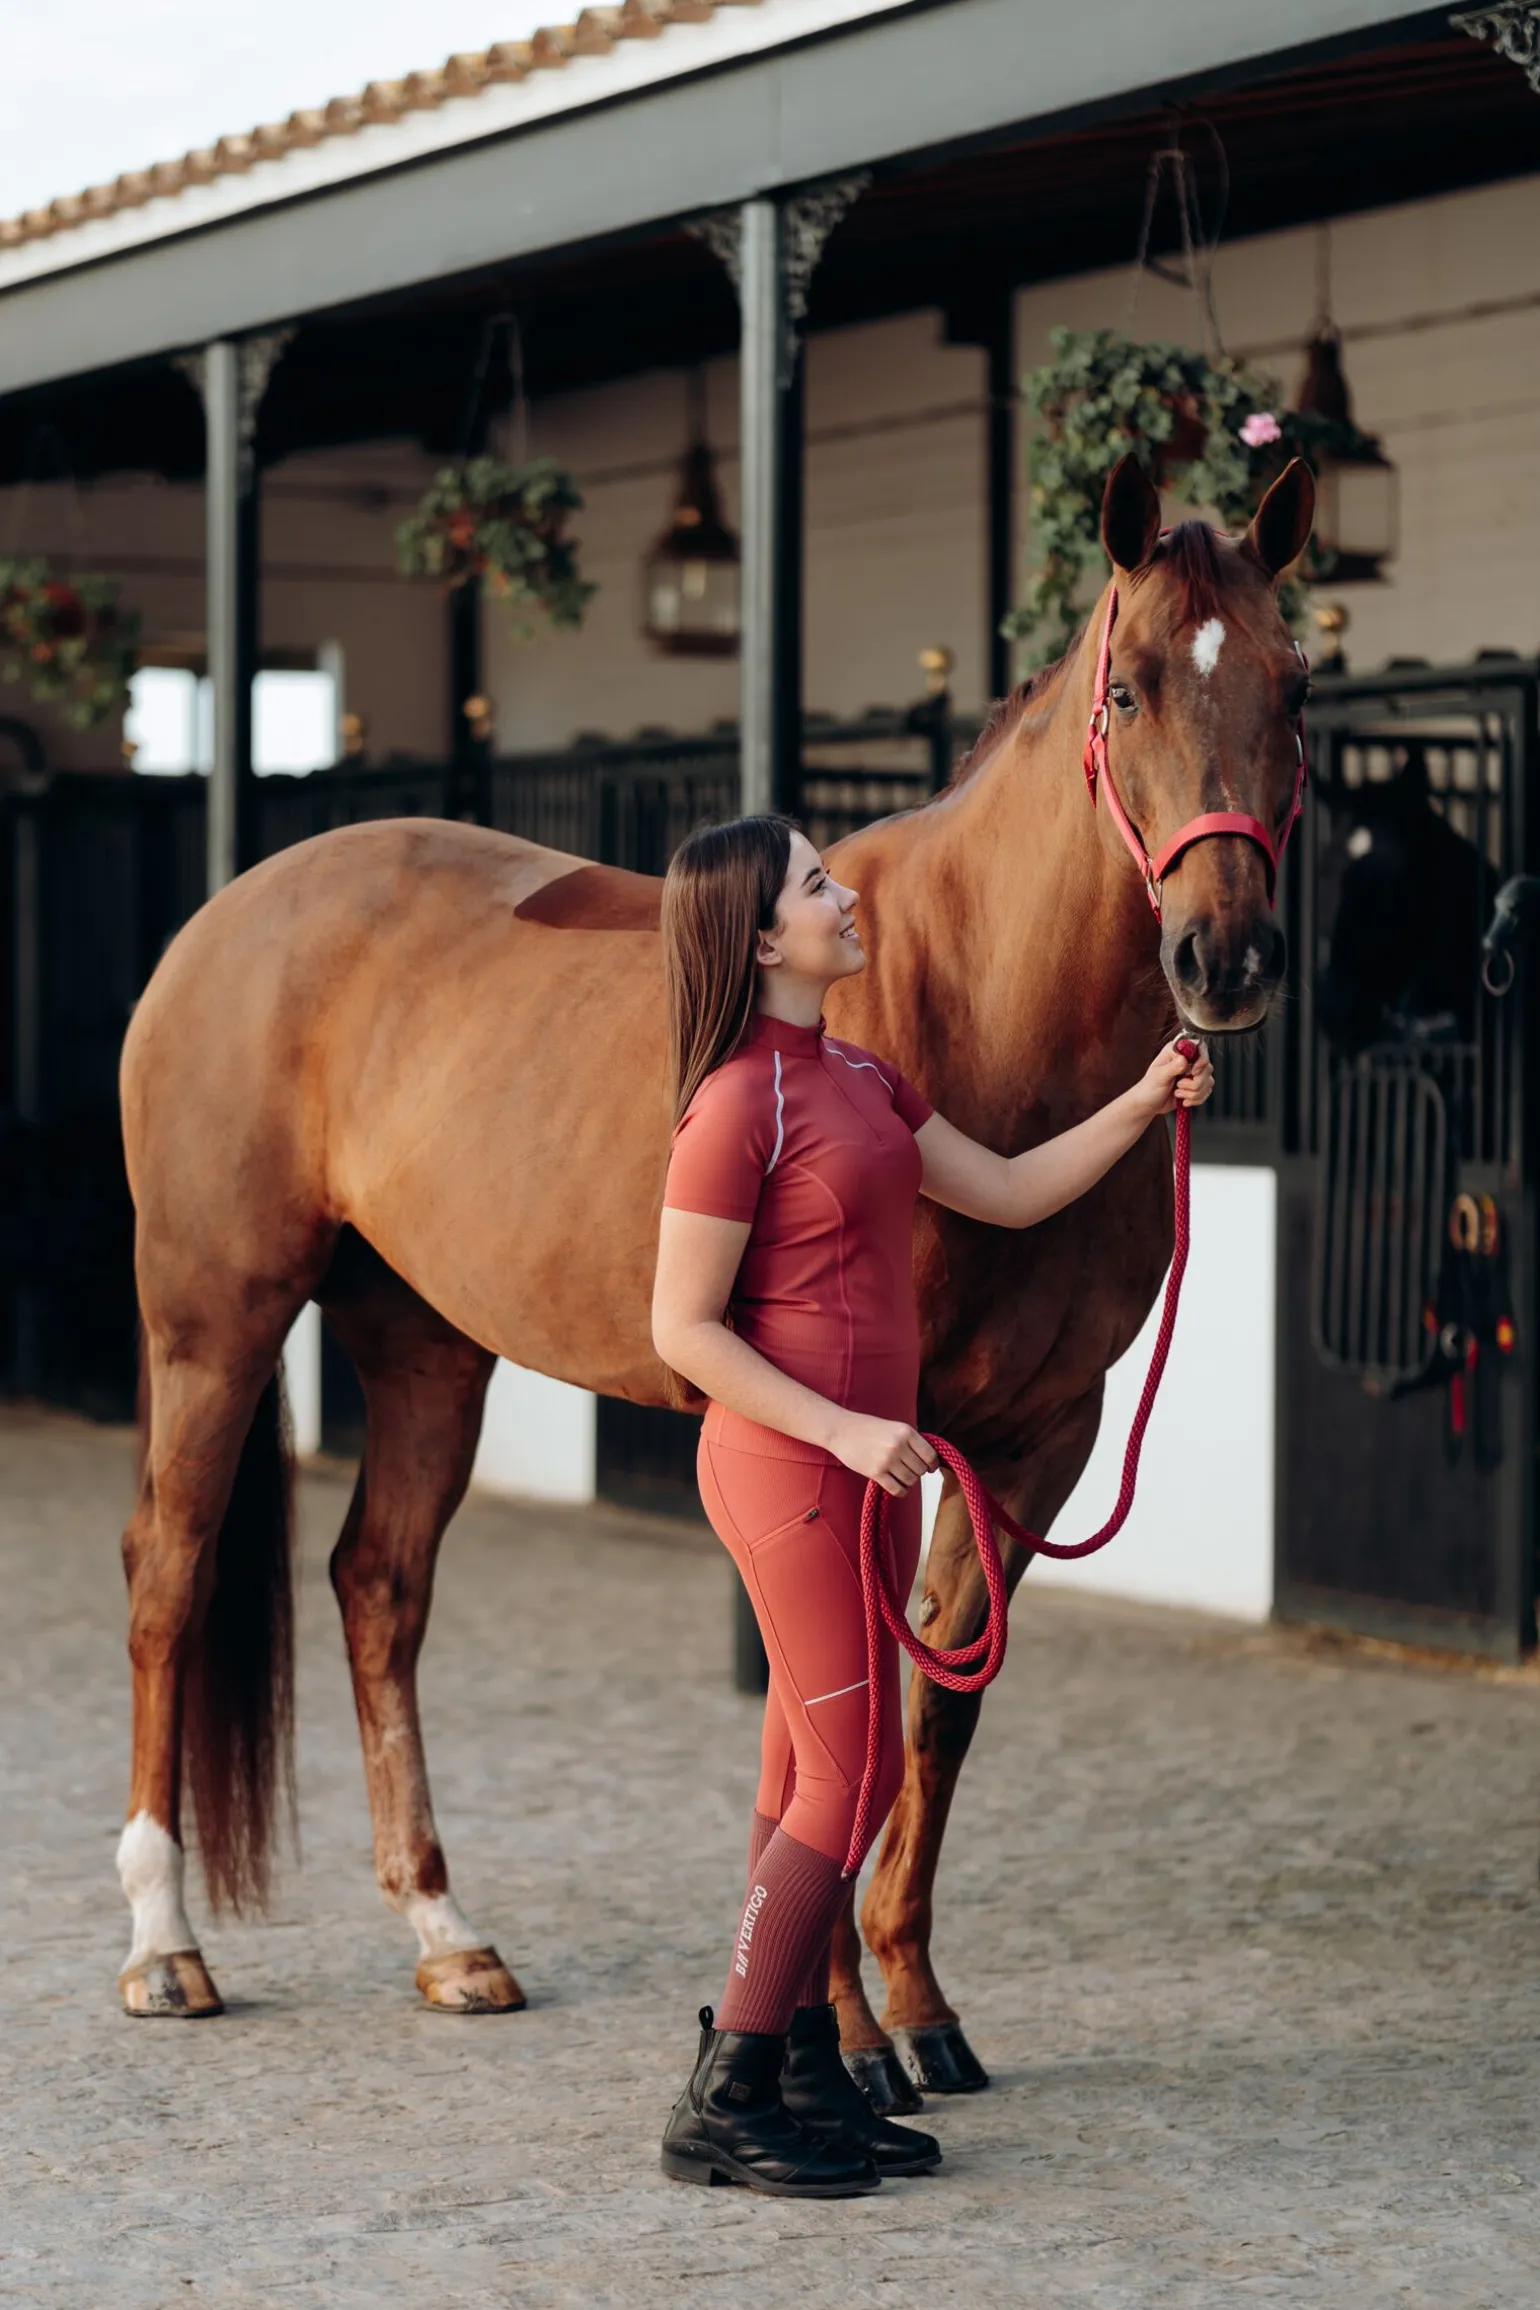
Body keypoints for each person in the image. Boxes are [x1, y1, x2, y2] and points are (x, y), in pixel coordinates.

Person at [651, 814, 1213, 2198]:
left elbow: (1013, 1192)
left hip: (863, 1469)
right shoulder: (734, 1104)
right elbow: (683, 1327)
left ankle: (782, 2067)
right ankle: (726, 2087)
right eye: (815, 884)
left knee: (810, 1772)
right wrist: (843, 1424)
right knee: (857, 1775)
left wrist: (1143, 1101)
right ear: (761, 936)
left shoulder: (859, 1075)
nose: (848, 894)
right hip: (793, 1465)